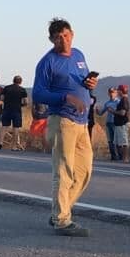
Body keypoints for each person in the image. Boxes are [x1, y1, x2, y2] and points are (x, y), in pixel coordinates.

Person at [33, 18, 99, 237]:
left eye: (66, 35)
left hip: (82, 122)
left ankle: (58, 212)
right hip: (62, 121)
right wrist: (65, 97)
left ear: (72, 33)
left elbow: (82, 81)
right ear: (51, 39)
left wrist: (88, 85)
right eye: (58, 37)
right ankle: (61, 219)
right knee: (64, 172)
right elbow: (38, 94)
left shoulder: (79, 55)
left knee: (84, 171)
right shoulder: (47, 62)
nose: (63, 40)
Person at [0, 75, 28, 150]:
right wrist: (21, 105)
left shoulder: (6, 88)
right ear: (21, 82)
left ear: (13, 80)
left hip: (6, 109)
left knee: (4, 126)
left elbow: (2, 98)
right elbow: (26, 102)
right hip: (17, 110)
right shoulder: (22, 90)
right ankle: (14, 146)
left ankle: (0, 143)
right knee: (16, 128)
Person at [112, 84, 130, 162]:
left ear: (121, 91)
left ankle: (125, 158)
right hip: (119, 124)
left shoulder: (124, 100)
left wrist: (113, 111)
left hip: (122, 124)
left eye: (118, 90)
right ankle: (122, 158)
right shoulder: (123, 100)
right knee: (118, 142)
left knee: (124, 142)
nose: (117, 91)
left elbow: (122, 112)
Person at [99, 87, 120, 160]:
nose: (112, 94)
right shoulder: (107, 103)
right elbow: (101, 113)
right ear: (108, 93)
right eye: (110, 92)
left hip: (116, 123)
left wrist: (113, 111)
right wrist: (97, 111)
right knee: (110, 140)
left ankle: (120, 156)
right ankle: (113, 156)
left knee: (117, 140)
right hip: (108, 123)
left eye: (113, 92)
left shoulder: (119, 102)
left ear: (116, 93)